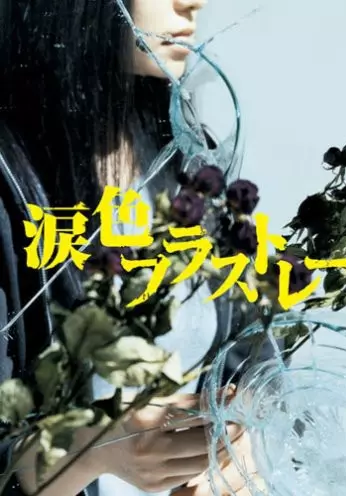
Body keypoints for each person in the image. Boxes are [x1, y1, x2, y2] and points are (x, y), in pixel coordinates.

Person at [0, 0, 276, 494]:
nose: (192, 2)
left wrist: (241, 444)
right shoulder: (11, 182)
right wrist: (91, 448)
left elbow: (252, 354)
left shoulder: (186, 157)